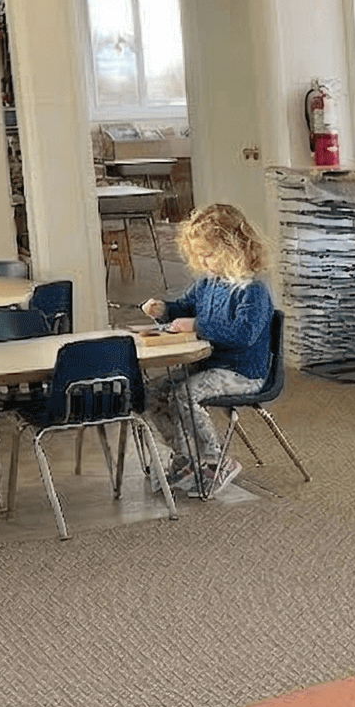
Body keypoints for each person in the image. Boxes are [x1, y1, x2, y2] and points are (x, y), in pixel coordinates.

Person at [140, 202, 276, 499]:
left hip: (242, 372)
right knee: (151, 393)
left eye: (209, 255)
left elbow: (244, 334)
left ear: (235, 248)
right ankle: (188, 456)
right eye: (198, 256)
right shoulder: (208, 284)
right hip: (207, 367)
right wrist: (163, 309)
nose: (203, 262)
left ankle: (215, 461)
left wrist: (197, 326)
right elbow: (183, 308)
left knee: (185, 394)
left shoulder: (252, 290)